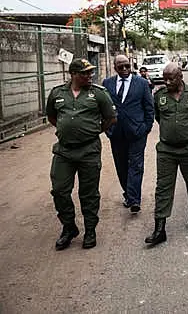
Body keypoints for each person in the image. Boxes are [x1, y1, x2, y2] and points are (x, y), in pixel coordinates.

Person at [46, 58, 116, 250]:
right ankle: (69, 227)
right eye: (84, 73)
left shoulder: (99, 94)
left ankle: (90, 230)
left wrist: (92, 131)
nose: (89, 76)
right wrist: (68, 130)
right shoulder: (57, 93)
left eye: (90, 72)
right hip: (64, 151)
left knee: (89, 193)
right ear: (73, 74)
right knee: (59, 190)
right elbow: (52, 117)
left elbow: (111, 118)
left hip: (89, 151)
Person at [145, 63, 188, 246]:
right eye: (165, 78)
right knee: (163, 188)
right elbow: (158, 118)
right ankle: (159, 228)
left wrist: (187, 133)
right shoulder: (159, 96)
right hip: (166, 150)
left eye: (171, 78)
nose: (167, 82)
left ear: (181, 77)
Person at [103, 55, 154, 213]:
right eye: (120, 67)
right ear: (115, 67)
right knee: (121, 165)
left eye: (127, 66)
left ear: (130, 65)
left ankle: (134, 199)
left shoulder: (142, 83)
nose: (124, 70)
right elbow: (103, 107)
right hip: (116, 133)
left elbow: (149, 107)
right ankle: (128, 193)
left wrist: (146, 127)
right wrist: (107, 129)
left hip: (137, 132)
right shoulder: (107, 84)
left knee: (136, 165)